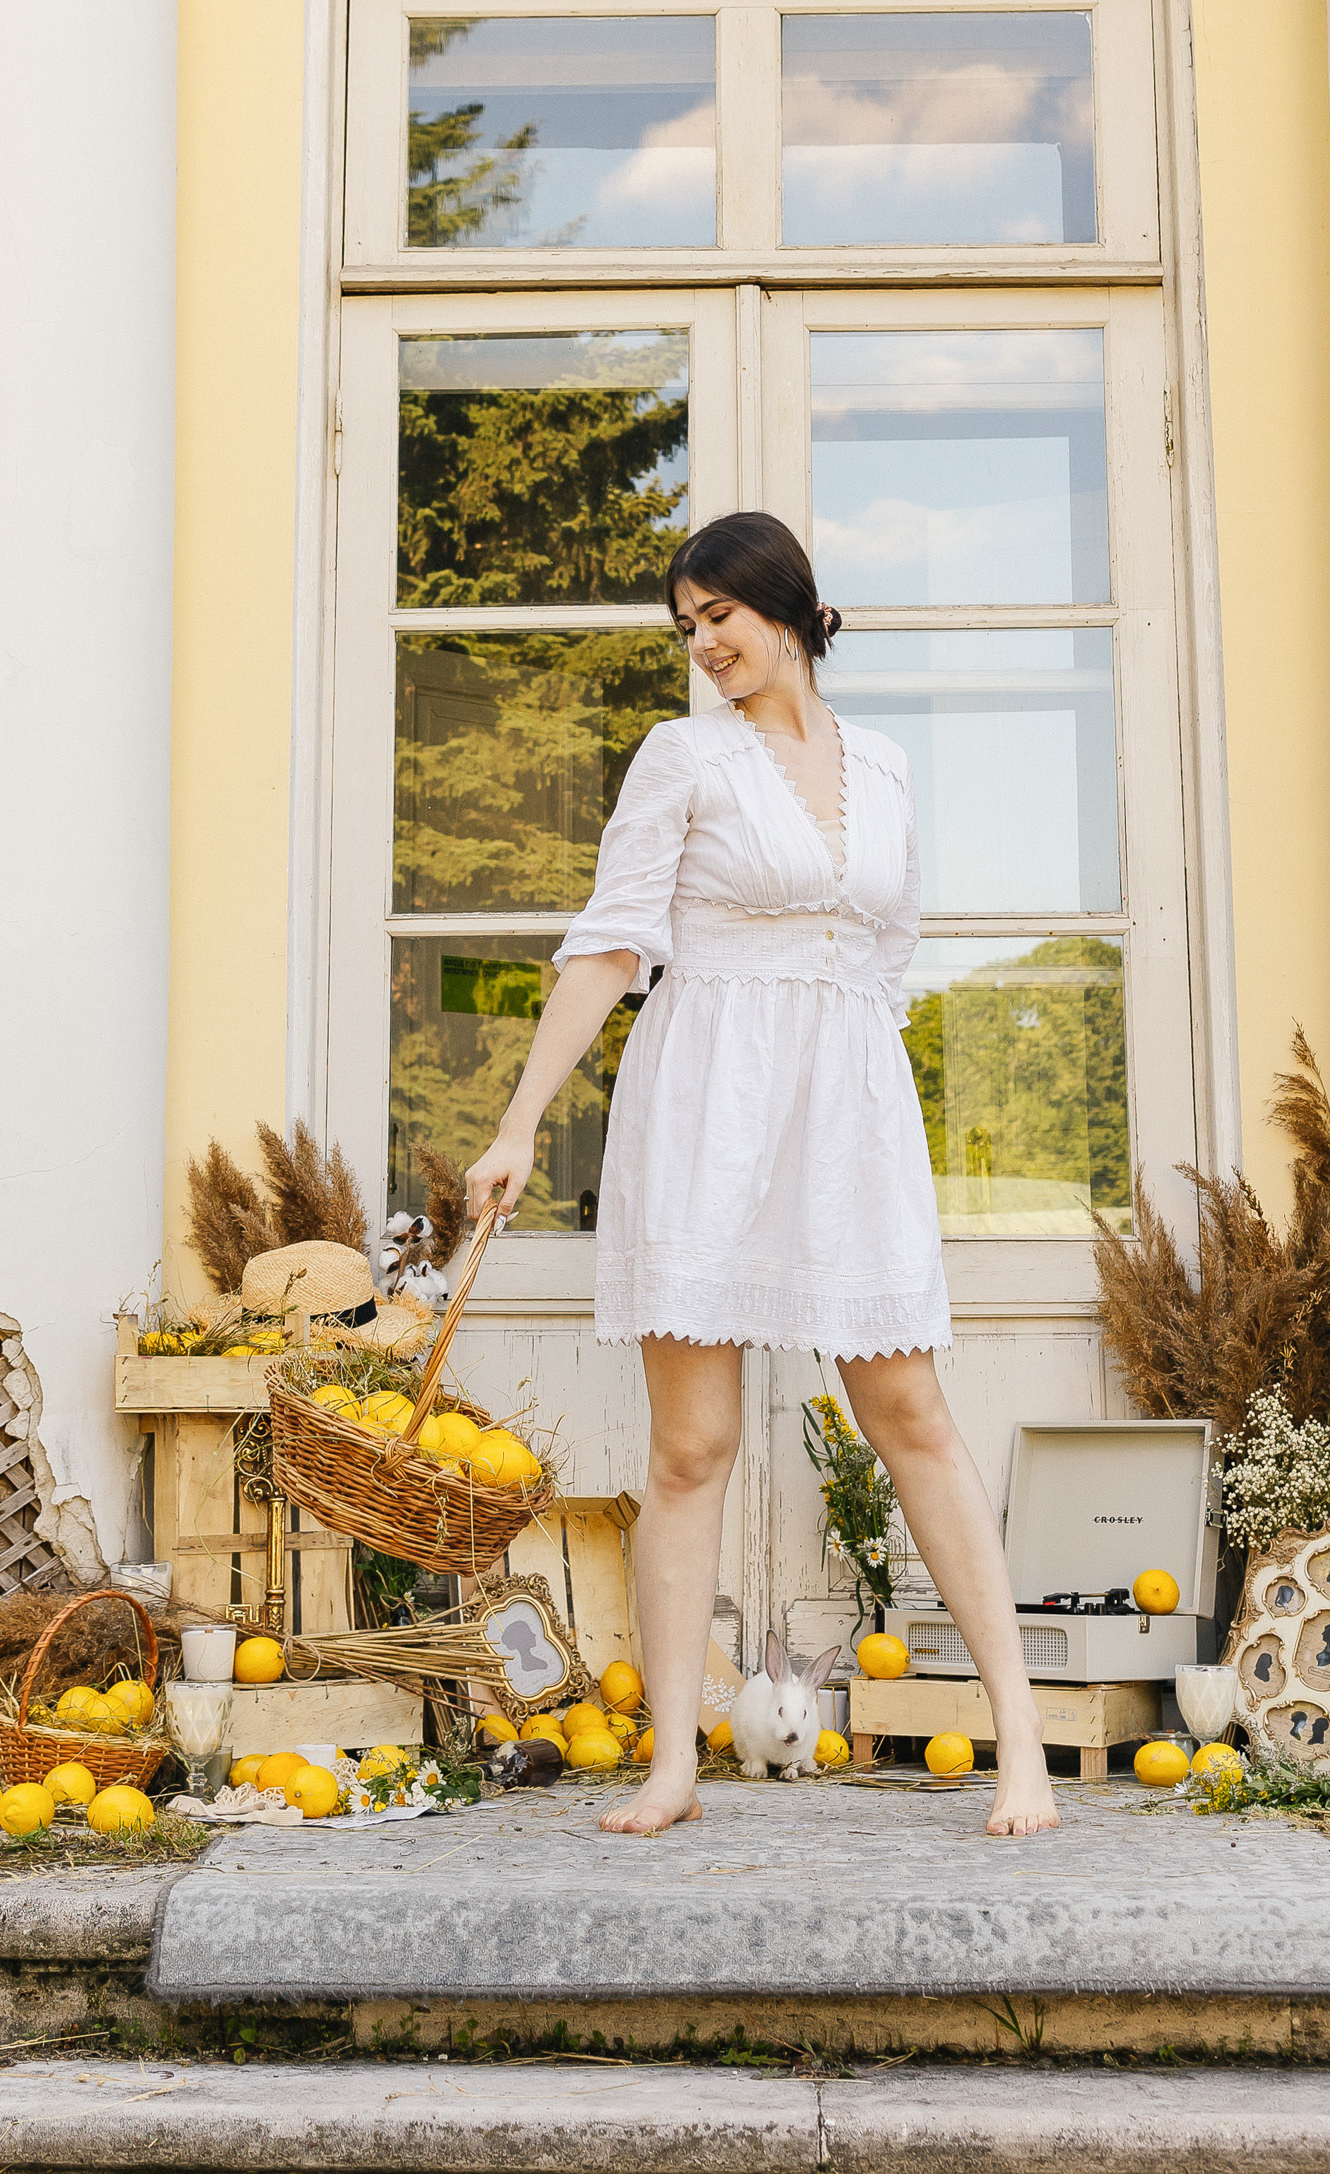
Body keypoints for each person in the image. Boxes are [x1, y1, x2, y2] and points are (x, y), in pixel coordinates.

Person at [463, 511, 1059, 1839]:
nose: (705, 646)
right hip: (709, 1105)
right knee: (692, 1443)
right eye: (687, 627)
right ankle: (674, 1758)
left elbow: (887, 955)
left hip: (846, 1106)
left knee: (911, 1414)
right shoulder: (681, 758)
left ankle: (1019, 1731)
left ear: (785, 604)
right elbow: (611, 948)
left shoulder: (889, 766)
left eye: (718, 616)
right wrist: (517, 1126)